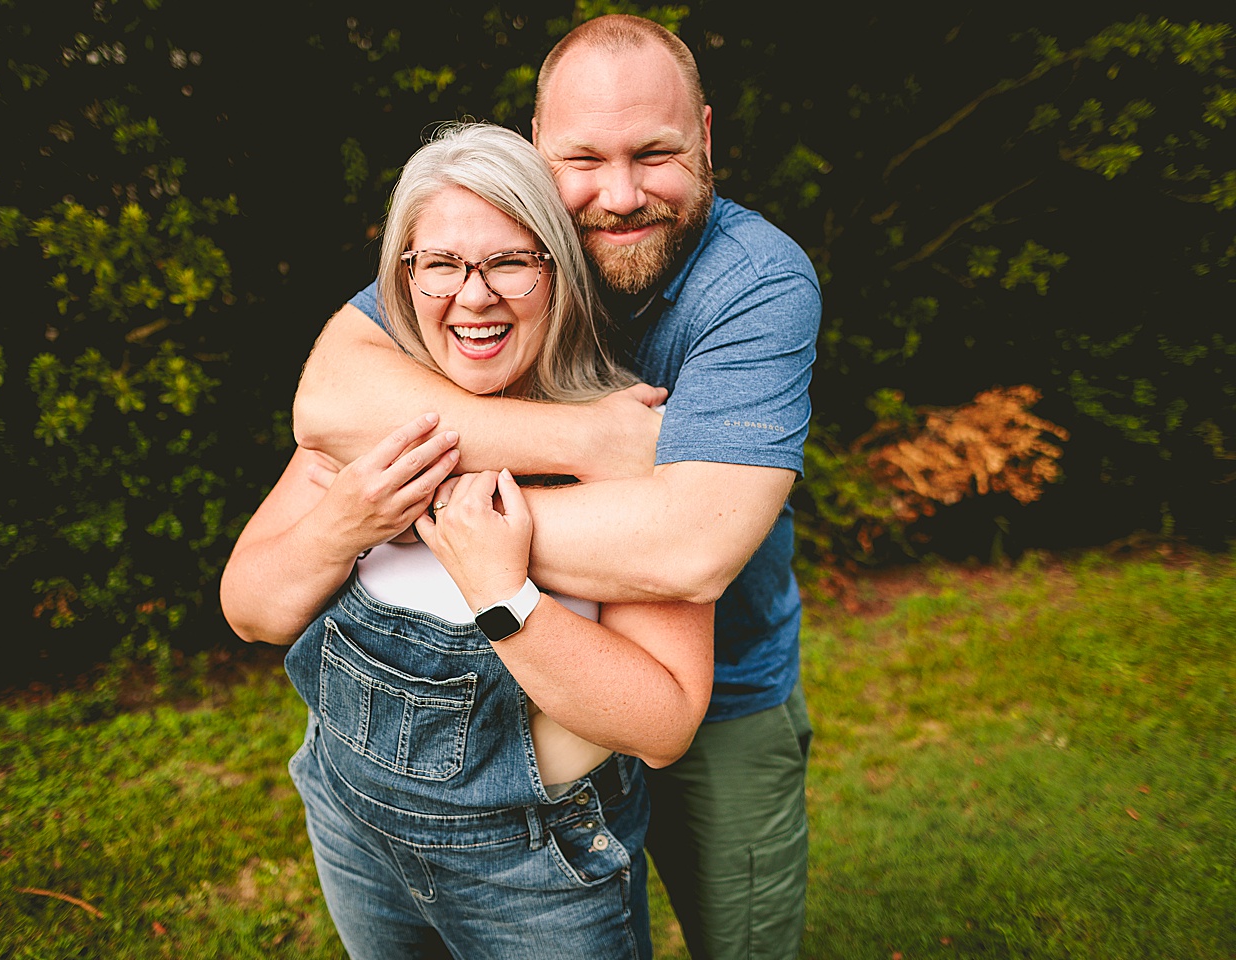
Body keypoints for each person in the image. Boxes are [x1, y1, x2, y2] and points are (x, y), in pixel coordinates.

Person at [285, 15, 821, 960]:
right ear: (540, 153)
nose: (619, 195)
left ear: (705, 137)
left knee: (742, 941)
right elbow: (328, 396)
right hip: (532, 692)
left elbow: (689, 549)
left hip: (723, 683)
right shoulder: (493, 242)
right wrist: (587, 440)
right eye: (584, 159)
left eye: (654, 153)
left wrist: (427, 519)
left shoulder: (754, 282)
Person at [221, 122, 714, 960]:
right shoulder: (370, 418)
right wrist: (344, 524)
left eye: (510, 262)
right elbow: (251, 612)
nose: (472, 295)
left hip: (532, 869)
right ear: (403, 278)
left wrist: (508, 599)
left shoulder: (626, 435)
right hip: (350, 823)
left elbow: (663, 723)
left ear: (558, 268)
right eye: (441, 264)